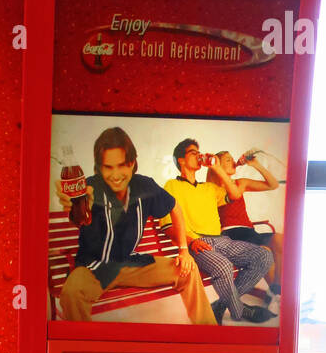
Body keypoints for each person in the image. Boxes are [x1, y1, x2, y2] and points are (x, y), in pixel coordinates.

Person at [56, 127, 215, 324]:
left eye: (122, 165)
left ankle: (207, 336)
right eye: (108, 167)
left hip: (132, 264)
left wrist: (184, 250)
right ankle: (84, 349)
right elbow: (78, 218)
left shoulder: (145, 186)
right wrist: (72, 207)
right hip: (93, 268)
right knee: (70, 293)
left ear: (132, 163)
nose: (115, 175)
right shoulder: (89, 187)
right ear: (99, 167)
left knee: (188, 270)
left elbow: (175, 208)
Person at [165, 139, 274, 325]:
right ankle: (241, 310)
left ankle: (220, 306)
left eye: (199, 152)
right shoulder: (172, 186)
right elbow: (169, 226)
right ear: (181, 160)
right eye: (193, 153)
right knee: (223, 266)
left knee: (264, 256)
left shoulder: (208, 188)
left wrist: (216, 167)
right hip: (198, 244)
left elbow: (235, 194)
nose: (199, 156)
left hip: (222, 240)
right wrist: (191, 242)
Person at [214, 150, 283, 298]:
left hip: (249, 231)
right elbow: (234, 194)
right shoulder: (211, 186)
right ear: (217, 164)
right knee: (265, 251)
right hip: (231, 234)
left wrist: (256, 165)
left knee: (280, 239)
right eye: (227, 160)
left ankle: (277, 289)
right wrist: (215, 168)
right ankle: (278, 296)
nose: (232, 161)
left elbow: (273, 185)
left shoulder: (240, 183)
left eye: (232, 158)